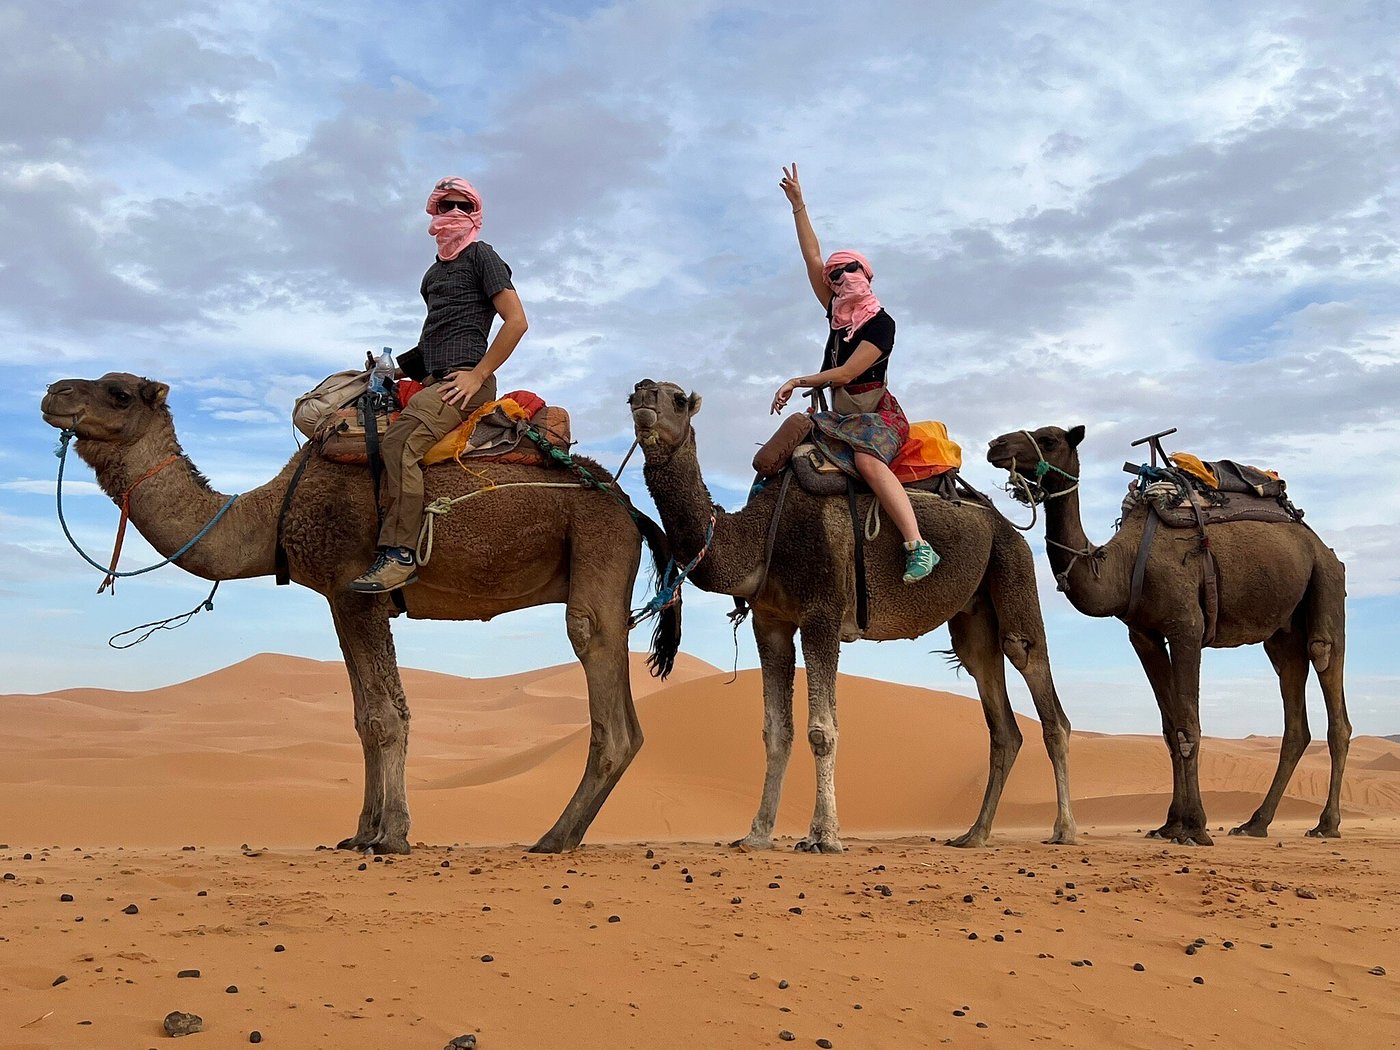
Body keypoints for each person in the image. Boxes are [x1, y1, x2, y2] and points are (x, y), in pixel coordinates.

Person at [350, 176, 529, 593]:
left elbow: (516, 322)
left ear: (474, 214)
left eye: (462, 206)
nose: (453, 214)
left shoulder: (482, 256)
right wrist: (392, 370)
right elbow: (434, 340)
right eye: (445, 205)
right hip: (433, 378)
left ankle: (399, 554)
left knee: (398, 443)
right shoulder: (432, 275)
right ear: (433, 211)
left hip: (463, 382)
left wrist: (478, 375)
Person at [770, 163, 938, 584]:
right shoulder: (835, 314)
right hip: (840, 416)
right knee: (787, 445)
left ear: (866, 276)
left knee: (866, 458)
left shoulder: (881, 324)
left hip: (877, 418)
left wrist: (798, 381)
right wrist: (798, 206)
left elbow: (845, 374)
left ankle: (918, 544)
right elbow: (811, 256)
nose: (840, 277)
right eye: (834, 274)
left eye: (849, 270)